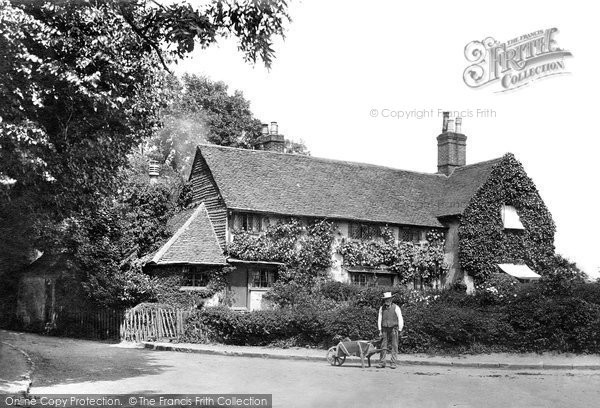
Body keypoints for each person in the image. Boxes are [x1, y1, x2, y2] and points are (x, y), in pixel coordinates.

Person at [377, 291, 403, 369]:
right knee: (383, 345)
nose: (387, 301)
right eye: (385, 300)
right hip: (384, 328)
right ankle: (382, 362)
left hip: (394, 328)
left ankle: (393, 363)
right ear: (384, 300)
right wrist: (380, 330)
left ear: (391, 299)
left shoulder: (396, 307)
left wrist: (400, 329)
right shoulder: (382, 308)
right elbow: (379, 319)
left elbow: (400, 318)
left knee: (394, 346)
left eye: (388, 299)